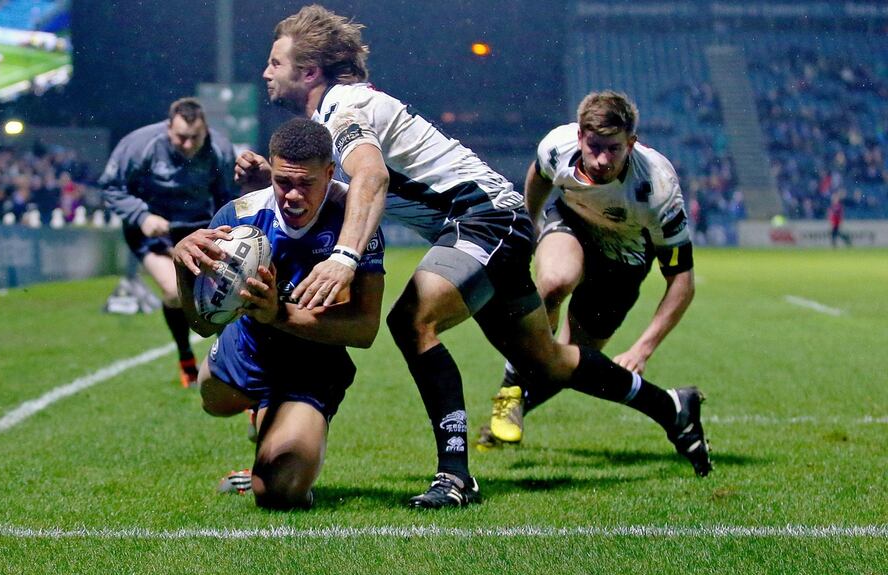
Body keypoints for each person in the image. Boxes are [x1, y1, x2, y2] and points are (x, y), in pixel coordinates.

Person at [238, 6, 710, 508]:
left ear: (309, 71)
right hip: (489, 221)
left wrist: (344, 256)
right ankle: (671, 407)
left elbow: (372, 178)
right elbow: (360, 184)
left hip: (483, 219)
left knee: (412, 321)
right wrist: (275, 182)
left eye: (275, 62)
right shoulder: (339, 111)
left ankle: (455, 476)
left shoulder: (342, 108)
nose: (266, 72)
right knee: (545, 362)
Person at [477, 92, 703, 466]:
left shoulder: (657, 187)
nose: (602, 160)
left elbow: (682, 280)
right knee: (555, 282)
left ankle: (515, 408)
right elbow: (539, 174)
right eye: (594, 146)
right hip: (572, 224)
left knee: (570, 364)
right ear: (580, 136)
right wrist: (529, 224)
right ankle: (510, 390)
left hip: (623, 262)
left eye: (614, 149)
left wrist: (642, 349)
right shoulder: (557, 146)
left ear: (632, 142)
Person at [172, 117, 386, 509]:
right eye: (283, 181)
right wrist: (182, 266)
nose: (293, 196)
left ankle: (284, 432)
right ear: (271, 168)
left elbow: (365, 329)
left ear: (330, 173)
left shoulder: (352, 222)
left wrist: (277, 314)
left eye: (306, 183)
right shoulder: (237, 216)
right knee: (212, 400)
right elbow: (202, 325)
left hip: (312, 366)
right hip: (249, 349)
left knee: (278, 493)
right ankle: (266, 416)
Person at [100, 97, 239, 387]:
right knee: (175, 293)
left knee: (224, 294)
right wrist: (141, 216)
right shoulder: (139, 145)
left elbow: (226, 197)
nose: (188, 145)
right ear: (168, 128)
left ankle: (232, 366)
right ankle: (185, 356)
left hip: (200, 230)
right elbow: (111, 187)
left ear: (206, 130)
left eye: (195, 137)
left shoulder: (221, 149)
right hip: (154, 234)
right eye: (181, 137)